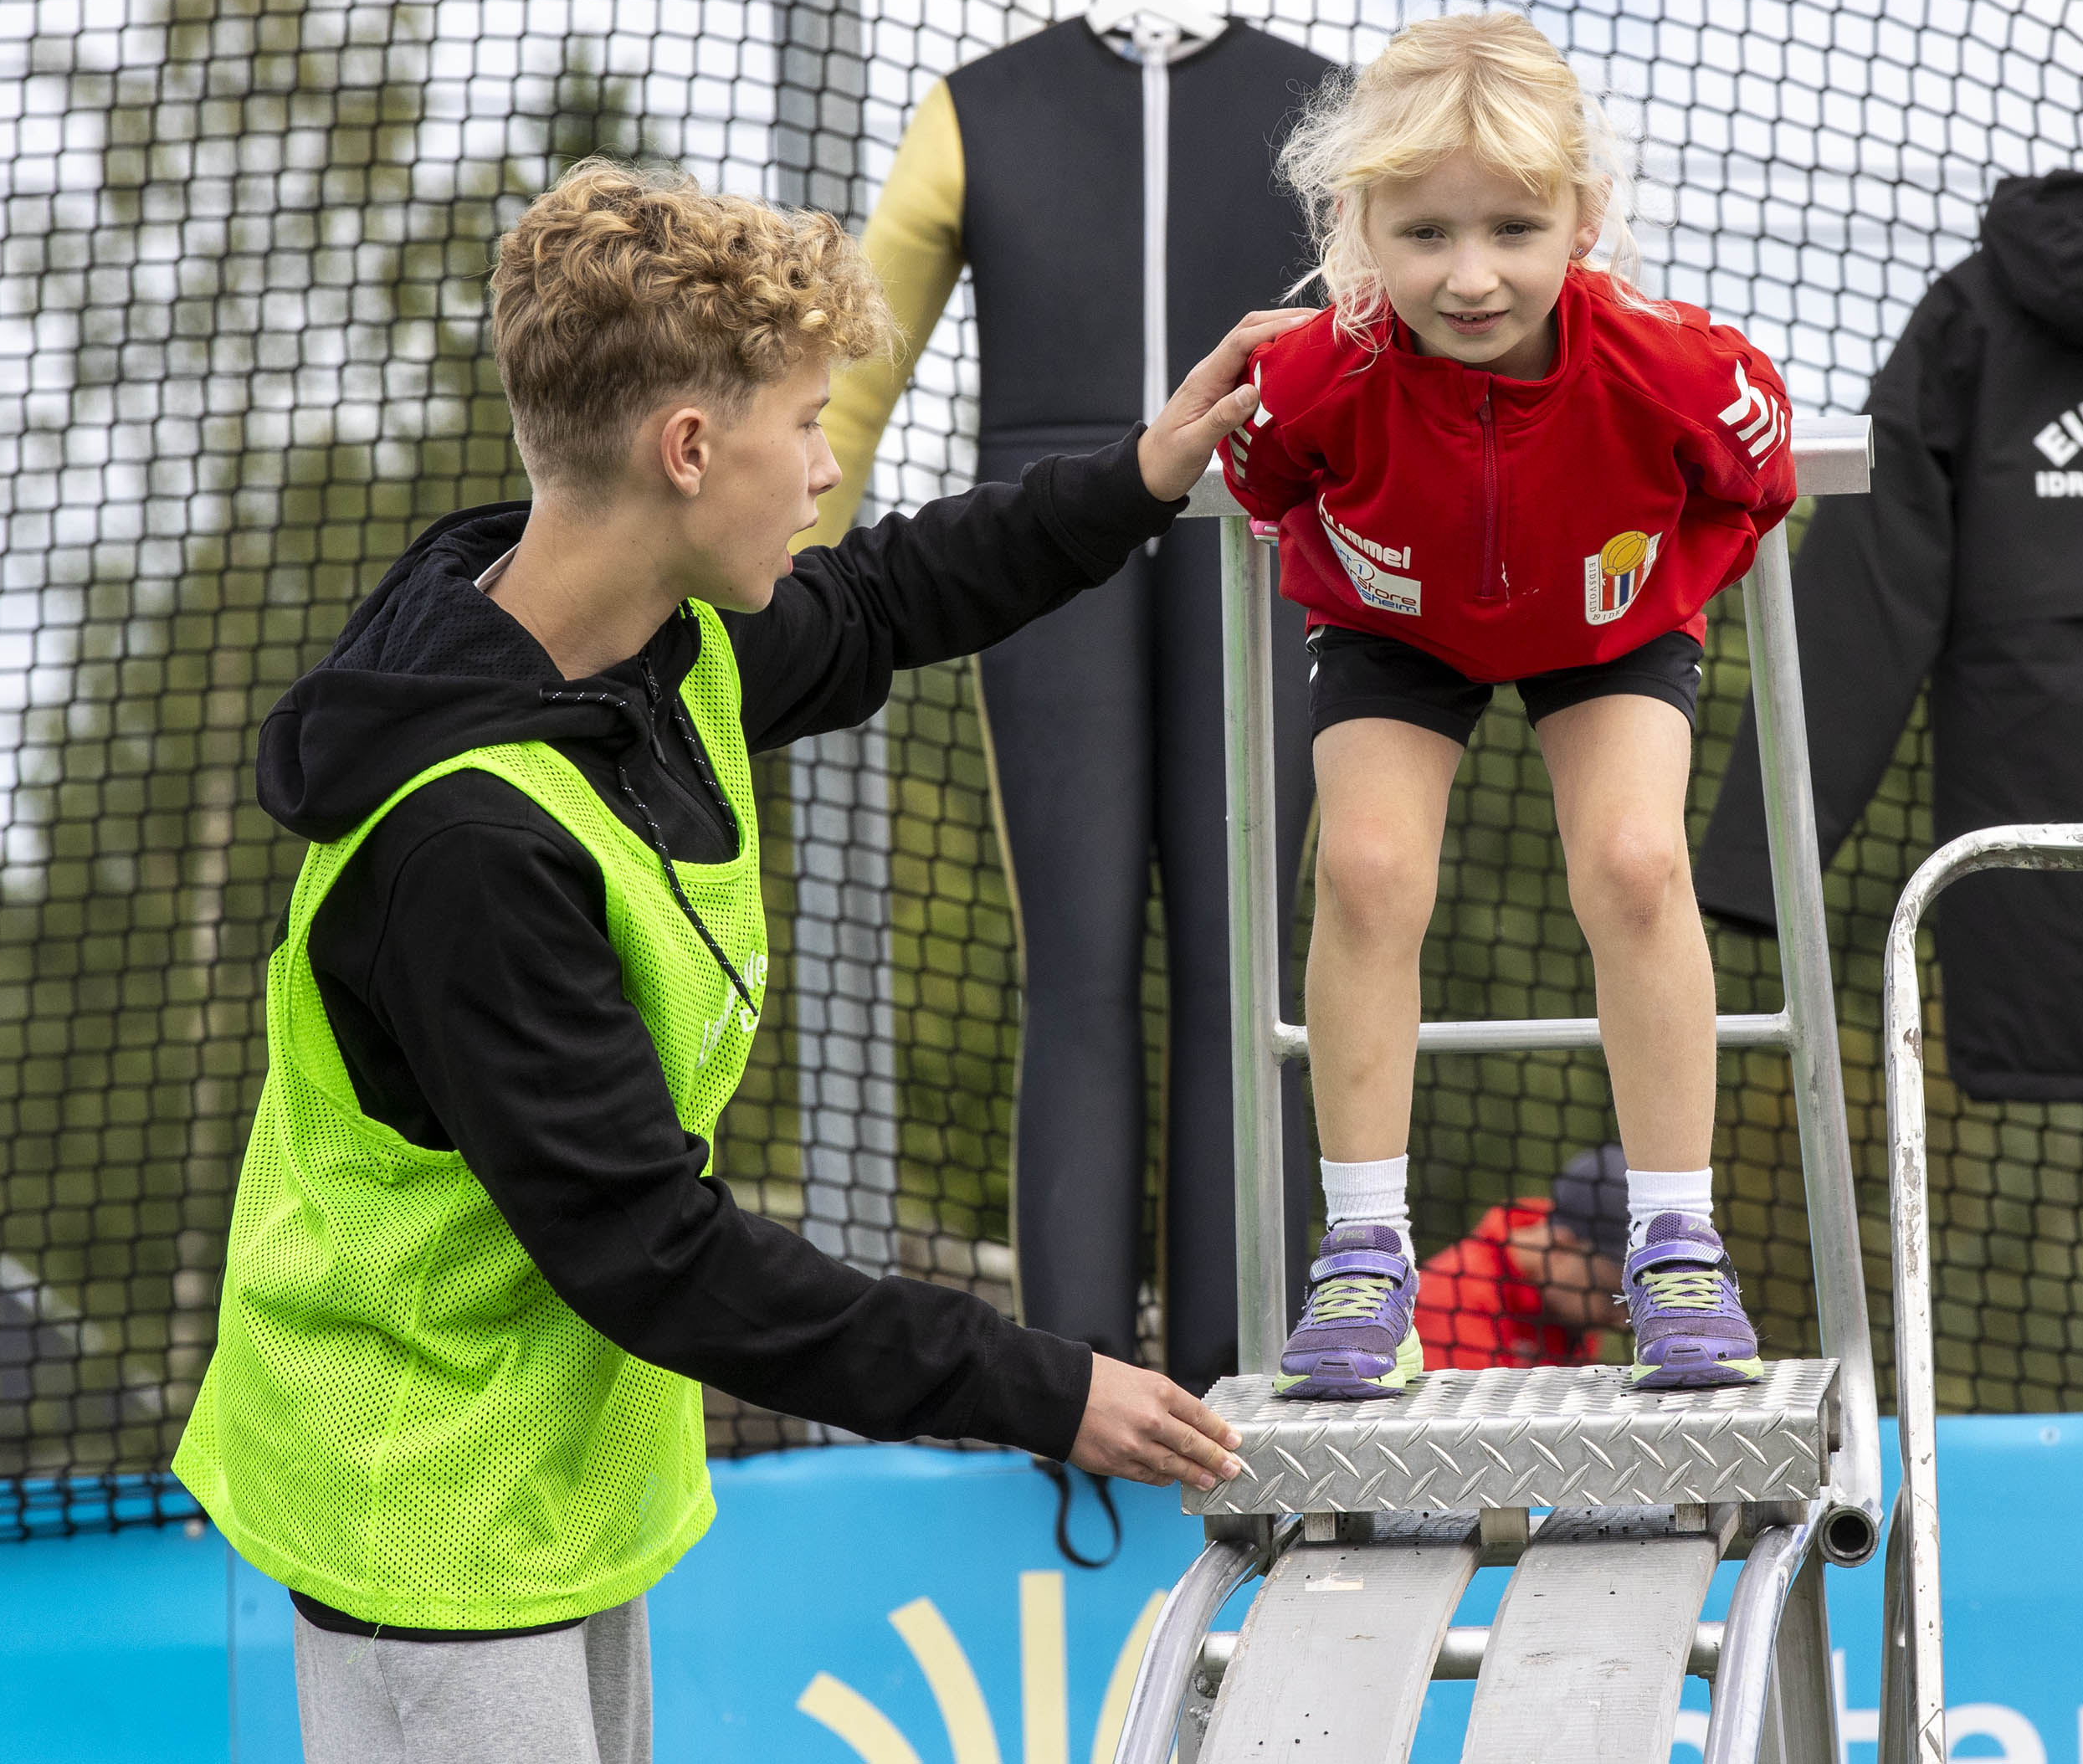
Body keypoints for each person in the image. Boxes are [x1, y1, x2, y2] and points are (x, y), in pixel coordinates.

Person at [172, 161, 1286, 1764]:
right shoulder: (472, 847)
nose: (830, 472)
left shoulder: (646, 643)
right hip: (417, 1493)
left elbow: (891, 596)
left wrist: (1144, 475)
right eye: (808, 428)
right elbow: (658, 1253)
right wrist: (1047, 1386)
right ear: (689, 451)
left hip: (542, 1461)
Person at [1220, 13, 1798, 1400]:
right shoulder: (1323, 366)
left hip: (1605, 625)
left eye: (1514, 231)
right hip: (1395, 623)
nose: (1471, 278)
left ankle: (1675, 1247)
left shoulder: (1665, 360)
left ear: (1581, 219)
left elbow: (1758, 472)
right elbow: (1260, 480)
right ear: (1363, 231)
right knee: (1364, 870)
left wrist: (1669, 572)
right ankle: (1362, 1251)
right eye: (1425, 237)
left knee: (1637, 864)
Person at [1417, 1147, 1630, 1372]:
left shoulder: (1567, 1307)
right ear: (1559, 1247)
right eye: (1611, 1295)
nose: (1623, 1321)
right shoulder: (1450, 1304)